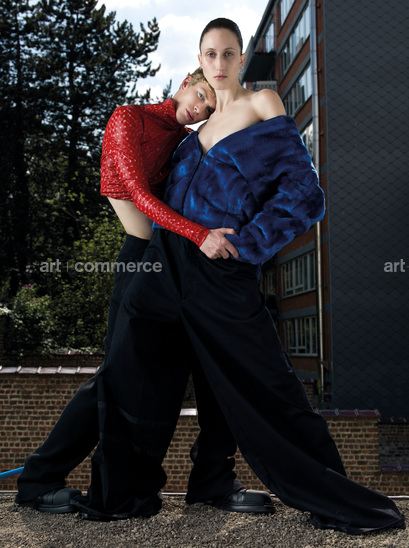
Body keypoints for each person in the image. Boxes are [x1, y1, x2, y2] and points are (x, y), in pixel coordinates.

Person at [70, 18, 406, 534]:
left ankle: (333, 498)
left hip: (221, 270)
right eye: (211, 54)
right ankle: (128, 494)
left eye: (229, 53)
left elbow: (303, 194)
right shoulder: (193, 135)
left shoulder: (262, 104)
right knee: (134, 375)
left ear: (242, 58)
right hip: (164, 264)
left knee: (266, 383)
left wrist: (246, 247)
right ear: (199, 61)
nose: (220, 64)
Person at [15, 68, 273, 516]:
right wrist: (200, 234)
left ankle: (212, 480)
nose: (200, 109)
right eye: (200, 95)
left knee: (212, 364)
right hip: (143, 260)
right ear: (187, 79)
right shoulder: (127, 118)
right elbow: (140, 195)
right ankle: (38, 479)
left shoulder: (187, 141)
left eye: (209, 107)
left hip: (181, 261)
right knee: (114, 377)